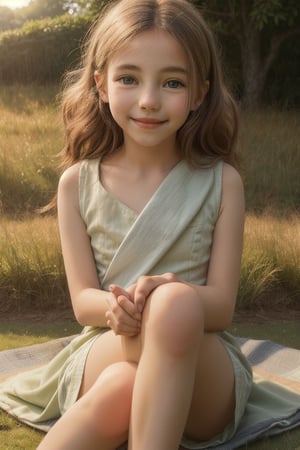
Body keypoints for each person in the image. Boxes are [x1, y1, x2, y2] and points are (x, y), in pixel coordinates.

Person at [4, 0, 254, 449]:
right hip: (109, 344)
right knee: (121, 381)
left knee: (175, 306)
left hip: (202, 360)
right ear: (100, 84)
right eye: (128, 78)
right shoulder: (75, 184)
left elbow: (219, 307)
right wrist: (119, 310)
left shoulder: (223, 183)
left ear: (199, 93)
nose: (149, 100)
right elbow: (83, 302)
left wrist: (163, 299)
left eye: (172, 82)